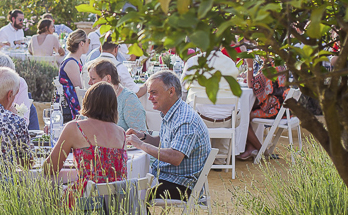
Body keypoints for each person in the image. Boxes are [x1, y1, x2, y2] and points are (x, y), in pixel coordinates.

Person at [126, 71, 211, 205]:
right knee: (130, 183)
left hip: (183, 186)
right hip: (169, 177)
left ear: (171, 92)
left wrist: (141, 145)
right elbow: (164, 142)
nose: (149, 98)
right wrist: (142, 137)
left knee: (130, 190)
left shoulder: (185, 120)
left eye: (154, 93)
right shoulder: (174, 112)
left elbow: (175, 157)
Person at [43, 82, 127, 203]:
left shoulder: (75, 127)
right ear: (114, 106)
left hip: (85, 203)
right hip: (116, 205)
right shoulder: (121, 133)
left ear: (87, 102)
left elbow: (50, 168)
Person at [181, 50, 242, 163]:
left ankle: (198, 158)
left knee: (188, 112)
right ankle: (220, 158)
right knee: (230, 113)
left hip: (200, 119)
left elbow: (183, 87)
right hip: (227, 120)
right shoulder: (230, 62)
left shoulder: (193, 61)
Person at [238, 60, 289, 160]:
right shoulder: (279, 64)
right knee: (247, 113)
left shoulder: (269, 68)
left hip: (274, 109)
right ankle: (250, 148)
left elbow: (251, 85)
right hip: (284, 109)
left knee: (242, 118)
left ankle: (261, 150)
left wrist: (249, 65)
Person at [87, 58, 147, 134]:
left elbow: (141, 135)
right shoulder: (95, 97)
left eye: (93, 78)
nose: (89, 83)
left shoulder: (128, 99)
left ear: (108, 78)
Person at [95, 32, 145, 97]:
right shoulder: (119, 68)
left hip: (90, 106)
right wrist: (147, 84)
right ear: (116, 49)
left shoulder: (87, 66)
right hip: (112, 106)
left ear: (101, 48)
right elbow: (136, 93)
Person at [58, 29, 90, 121]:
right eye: (88, 41)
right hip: (70, 106)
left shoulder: (76, 60)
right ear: (81, 43)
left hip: (73, 104)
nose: (89, 44)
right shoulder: (71, 62)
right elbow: (79, 88)